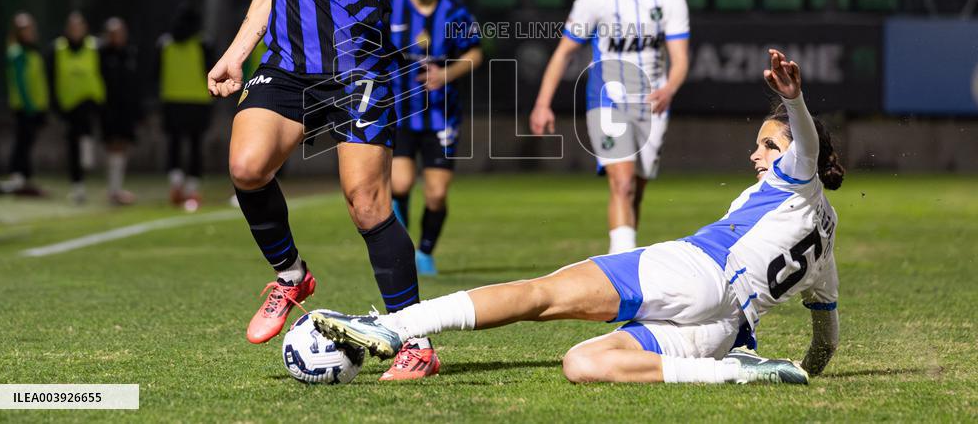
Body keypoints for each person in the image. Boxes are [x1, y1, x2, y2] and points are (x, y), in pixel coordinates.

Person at [313, 50, 844, 386]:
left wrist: (793, 103)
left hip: (696, 273)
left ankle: (391, 325)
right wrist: (807, 369)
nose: (757, 157)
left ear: (800, 156)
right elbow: (827, 337)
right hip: (727, 331)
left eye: (769, 146)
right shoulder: (826, 232)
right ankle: (734, 374)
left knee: (542, 295)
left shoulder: (794, 180)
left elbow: (805, 144)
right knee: (583, 364)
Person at [206, 0, 438, 381]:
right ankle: (290, 278)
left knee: (366, 205)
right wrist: (236, 52)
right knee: (246, 167)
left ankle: (415, 341)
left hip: (357, 67)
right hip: (284, 63)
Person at [530, 0, 690, 254]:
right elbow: (563, 54)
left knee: (636, 190)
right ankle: (620, 276)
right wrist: (543, 103)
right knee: (622, 182)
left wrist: (669, 89)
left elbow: (680, 59)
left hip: (653, 102)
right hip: (608, 99)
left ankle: (627, 260)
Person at [389, 0, 482, 276]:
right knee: (398, 185)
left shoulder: (454, 10)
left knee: (436, 195)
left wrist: (445, 75)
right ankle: (402, 249)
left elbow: (474, 53)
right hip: (399, 111)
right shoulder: (392, 3)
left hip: (442, 114)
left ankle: (425, 251)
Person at [157, 3, 213, 211]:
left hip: (171, 99)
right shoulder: (203, 42)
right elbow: (211, 69)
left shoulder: (165, 43)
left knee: (174, 144)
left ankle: (175, 185)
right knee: (196, 145)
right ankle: (192, 189)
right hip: (198, 100)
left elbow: (156, 72)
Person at [49, 11, 105, 203]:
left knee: (85, 141)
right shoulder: (58, 49)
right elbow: (51, 77)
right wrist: (55, 104)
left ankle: (86, 161)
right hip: (68, 105)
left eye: (79, 26)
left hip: (90, 102)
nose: (76, 31)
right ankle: (78, 187)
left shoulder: (95, 47)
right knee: (73, 145)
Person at [1, 13, 49, 197]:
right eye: (24, 29)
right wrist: (29, 105)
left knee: (28, 142)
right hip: (24, 107)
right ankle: (17, 178)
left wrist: (41, 105)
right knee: (22, 142)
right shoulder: (17, 52)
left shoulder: (33, 51)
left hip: (36, 106)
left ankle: (24, 179)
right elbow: (20, 83)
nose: (28, 32)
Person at [100, 17, 141, 206]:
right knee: (113, 145)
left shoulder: (130, 53)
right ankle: (113, 190)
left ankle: (116, 189)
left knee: (122, 145)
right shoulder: (101, 54)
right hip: (109, 107)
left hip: (126, 108)